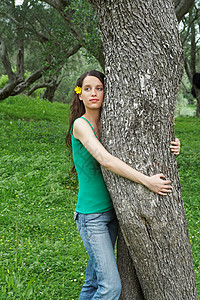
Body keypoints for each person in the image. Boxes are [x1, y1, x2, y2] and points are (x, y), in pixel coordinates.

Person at [66, 70, 180, 300]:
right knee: (110, 288)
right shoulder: (81, 125)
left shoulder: (111, 123)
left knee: (93, 282)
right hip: (92, 217)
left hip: (114, 213)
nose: (94, 94)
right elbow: (106, 160)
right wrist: (147, 181)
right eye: (87, 89)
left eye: (99, 88)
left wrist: (174, 146)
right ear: (80, 95)